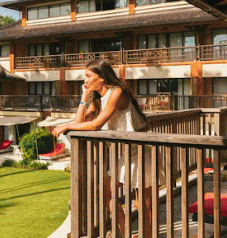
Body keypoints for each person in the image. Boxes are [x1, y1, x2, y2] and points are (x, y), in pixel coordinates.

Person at [50, 59, 151, 236]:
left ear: (102, 78)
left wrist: (65, 126)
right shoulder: (97, 99)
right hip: (126, 153)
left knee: (142, 203)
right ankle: (127, 233)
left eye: (89, 76)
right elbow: (79, 123)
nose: (85, 80)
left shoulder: (117, 92)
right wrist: (84, 97)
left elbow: (96, 124)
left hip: (141, 151)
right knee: (106, 193)